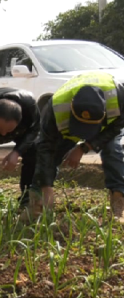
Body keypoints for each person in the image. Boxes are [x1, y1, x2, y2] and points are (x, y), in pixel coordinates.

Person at [22, 71, 124, 223]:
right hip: (65, 129)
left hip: (106, 128)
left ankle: (119, 202)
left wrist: (84, 147)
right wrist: (46, 186)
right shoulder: (55, 108)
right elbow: (46, 149)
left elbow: (117, 127)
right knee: (50, 157)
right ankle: (36, 204)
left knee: (112, 151)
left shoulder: (119, 97)